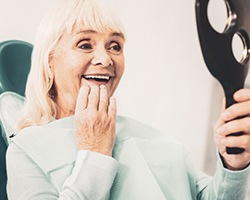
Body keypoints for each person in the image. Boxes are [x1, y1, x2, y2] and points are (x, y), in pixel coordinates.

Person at [5, 0, 250, 199]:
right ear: (49, 60)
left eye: (115, 46)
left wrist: (233, 166)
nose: (105, 59)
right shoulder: (26, 151)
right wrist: (95, 152)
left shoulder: (155, 138)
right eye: (85, 44)